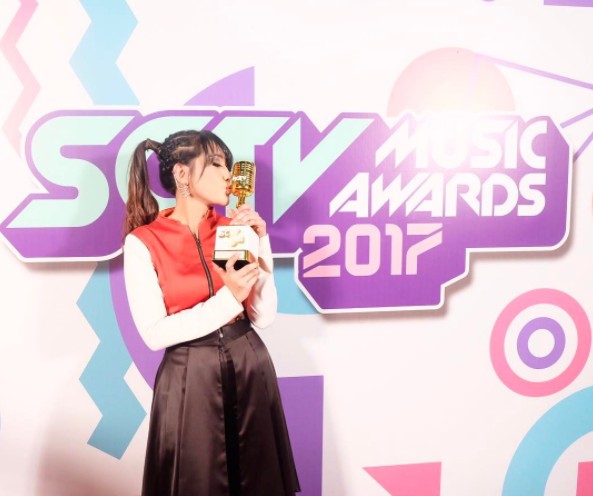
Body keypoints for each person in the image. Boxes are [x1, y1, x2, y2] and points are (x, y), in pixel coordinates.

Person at [122, 130, 300, 496]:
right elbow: (155, 334)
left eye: (229, 166)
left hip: (249, 364)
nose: (228, 175)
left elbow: (263, 316)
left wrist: (260, 241)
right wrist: (229, 298)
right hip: (190, 377)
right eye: (217, 164)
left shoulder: (233, 229)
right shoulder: (144, 241)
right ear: (182, 174)